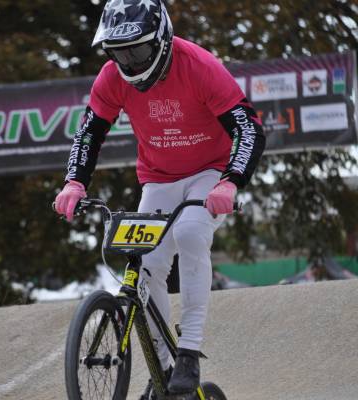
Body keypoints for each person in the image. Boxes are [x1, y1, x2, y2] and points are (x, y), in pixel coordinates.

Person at [55, 0, 266, 396]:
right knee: (146, 265)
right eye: (119, 53)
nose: (129, 62)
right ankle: (163, 371)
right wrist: (74, 183)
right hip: (158, 178)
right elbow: (89, 132)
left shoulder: (199, 66)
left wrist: (231, 181)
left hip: (210, 173)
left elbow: (248, 127)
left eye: (137, 50)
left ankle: (189, 351)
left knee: (190, 233)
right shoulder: (111, 77)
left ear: (163, 40)